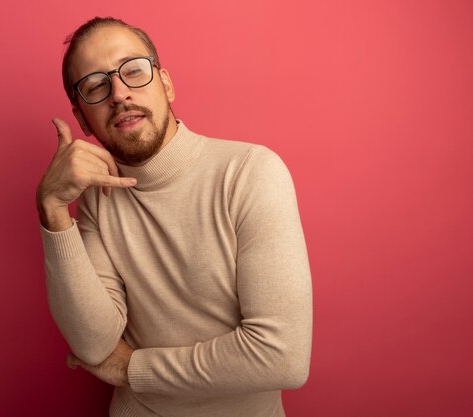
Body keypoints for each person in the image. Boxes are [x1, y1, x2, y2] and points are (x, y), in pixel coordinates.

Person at [36, 16, 313, 417]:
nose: (119, 94)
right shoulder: (98, 196)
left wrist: (131, 368)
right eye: (96, 86)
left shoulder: (251, 172)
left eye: (133, 71)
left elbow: (282, 356)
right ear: (82, 119)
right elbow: (94, 344)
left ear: (165, 84)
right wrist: (53, 210)